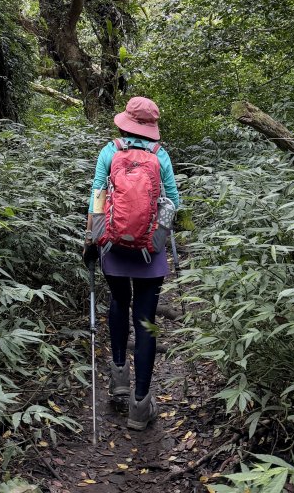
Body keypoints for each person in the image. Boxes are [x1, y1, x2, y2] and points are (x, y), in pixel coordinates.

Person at [82, 96, 180, 430]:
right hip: (149, 255)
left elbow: (97, 198)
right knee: (146, 321)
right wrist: (158, 240)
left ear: (125, 121)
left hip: (113, 247)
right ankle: (140, 405)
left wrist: (92, 240)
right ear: (151, 127)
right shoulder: (160, 156)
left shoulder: (109, 152)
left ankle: (119, 376)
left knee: (119, 303)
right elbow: (172, 203)